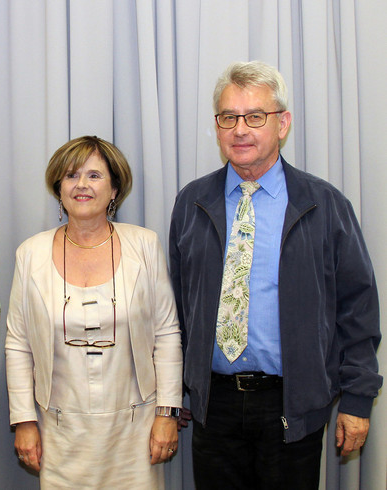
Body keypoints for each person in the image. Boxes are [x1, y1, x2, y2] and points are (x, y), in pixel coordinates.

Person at [169, 61, 382, 489]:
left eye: (255, 117)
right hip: (214, 405)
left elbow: (357, 308)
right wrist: (176, 391)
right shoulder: (193, 202)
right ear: (217, 125)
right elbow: (175, 306)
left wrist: (357, 399)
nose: (240, 130)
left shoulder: (324, 204)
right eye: (228, 117)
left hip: (292, 404)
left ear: (282, 123)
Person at [6, 136, 183, 488]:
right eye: (71, 176)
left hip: (137, 430)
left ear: (115, 188)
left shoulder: (144, 245)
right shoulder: (31, 253)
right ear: (58, 188)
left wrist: (168, 413)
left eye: (94, 176)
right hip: (60, 433)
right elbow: (18, 343)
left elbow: (166, 333)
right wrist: (24, 421)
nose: (82, 185)